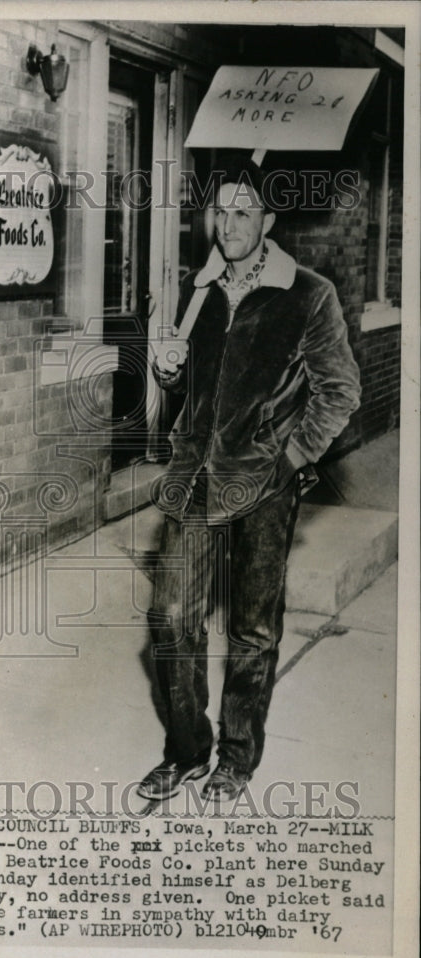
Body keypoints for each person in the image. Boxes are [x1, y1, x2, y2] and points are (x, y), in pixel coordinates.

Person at [139, 156, 361, 803]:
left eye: (244, 211)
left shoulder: (307, 293)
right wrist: (168, 371)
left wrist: (291, 460)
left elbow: (339, 391)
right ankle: (186, 751)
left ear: (266, 219)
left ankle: (236, 758)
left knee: (252, 629)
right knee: (171, 615)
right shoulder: (197, 290)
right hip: (197, 477)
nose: (229, 223)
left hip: (266, 481)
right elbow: (185, 388)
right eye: (221, 210)